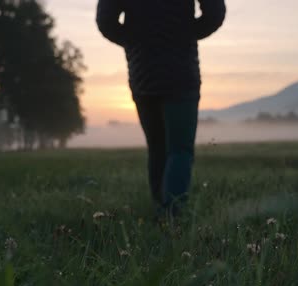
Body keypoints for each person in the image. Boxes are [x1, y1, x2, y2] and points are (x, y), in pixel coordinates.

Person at [96, 0, 226, 218]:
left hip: (143, 74)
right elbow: (215, 13)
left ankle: (160, 209)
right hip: (181, 76)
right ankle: (172, 214)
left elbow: (105, 21)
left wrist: (135, 41)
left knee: (157, 147)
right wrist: (186, 33)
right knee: (180, 150)